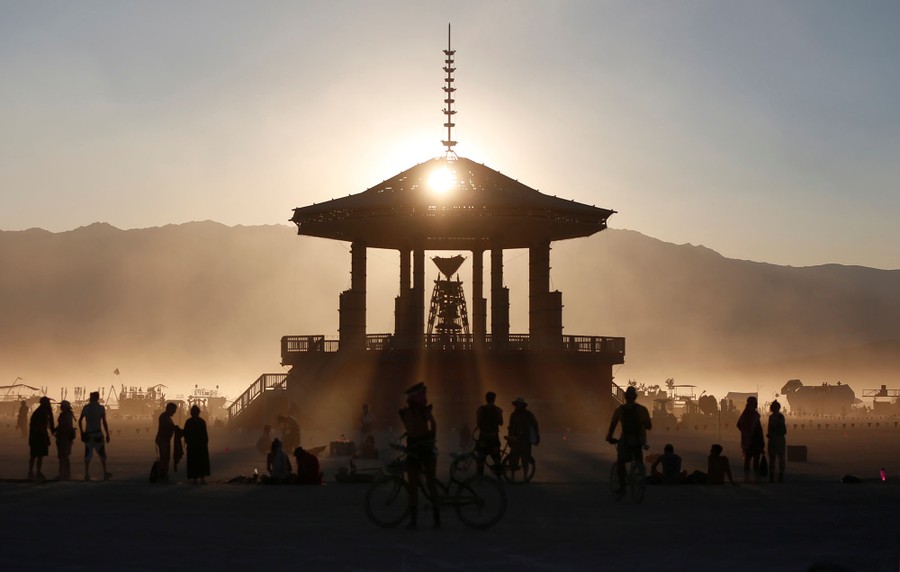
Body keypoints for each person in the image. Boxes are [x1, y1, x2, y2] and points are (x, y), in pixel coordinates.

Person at [398, 382, 440, 529]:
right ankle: (436, 519)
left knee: (413, 486)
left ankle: (414, 520)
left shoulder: (409, 412)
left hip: (415, 450)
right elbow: (433, 424)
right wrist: (430, 436)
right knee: (430, 484)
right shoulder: (423, 410)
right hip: (425, 448)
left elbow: (412, 431)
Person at [606, 385, 652, 495]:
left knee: (621, 462)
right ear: (635, 397)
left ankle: (622, 487)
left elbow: (613, 425)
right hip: (639, 440)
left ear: (626, 397)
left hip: (626, 440)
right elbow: (649, 426)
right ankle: (639, 475)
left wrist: (610, 437)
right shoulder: (643, 409)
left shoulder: (620, 410)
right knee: (638, 458)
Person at [78, 391, 111, 481]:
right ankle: (105, 473)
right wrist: (107, 433)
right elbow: (104, 422)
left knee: (88, 454)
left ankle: (86, 473)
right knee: (102, 454)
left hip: (88, 434)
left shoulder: (86, 408)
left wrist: (82, 432)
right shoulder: (100, 408)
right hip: (97, 434)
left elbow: (80, 420)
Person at [506, 396, 540, 478]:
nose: (517, 406)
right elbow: (511, 428)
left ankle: (525, 476)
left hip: (525, 440)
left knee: (525, 460)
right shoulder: (513, 415)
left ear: (522, 405)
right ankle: (512, 476)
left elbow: (535, 426)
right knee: (513, 459)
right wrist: (510, 438)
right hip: (515, 440)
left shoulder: (528, 415)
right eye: (516, 404)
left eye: (519, 404)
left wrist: (536, 436)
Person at [736, 396, 765, 483]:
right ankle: (756, 478)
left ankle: (747, 478)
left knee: (748, 460)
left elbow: (739, 425)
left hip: (748, 441)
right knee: (755, 460)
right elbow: (758, 429)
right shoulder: (754, 415)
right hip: (755, 440)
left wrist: (745, 433)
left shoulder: (745, 414)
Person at [475, 391, 503, 475]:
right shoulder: (498, 410)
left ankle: (480, 475)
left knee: (481, 456)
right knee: (496, 456)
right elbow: (501, 422)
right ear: (494, 399)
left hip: (483, 436)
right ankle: (498, 474)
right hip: (494, 437)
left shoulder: (480, 409)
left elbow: (478, 422)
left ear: (486, 399)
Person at [28, 396, 56, 482]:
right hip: (39, 435)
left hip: (36, 435)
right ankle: (36, 472)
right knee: (38, 455)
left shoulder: (41, 411)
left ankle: (32, 472)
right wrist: (52, 430)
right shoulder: (43, 412)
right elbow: (48, 423)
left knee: (35, 455)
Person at [182, 405, 210, 484]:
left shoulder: (189, 422)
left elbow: (186, 433)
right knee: (199, 462)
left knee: (195, 462)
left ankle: (197, 478)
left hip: (195, 445)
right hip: (197, 445)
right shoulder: (201, 421)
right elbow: (205, 434)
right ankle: (200, 477)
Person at [154, 402, 179, 483]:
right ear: (169, 409)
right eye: (174, 410)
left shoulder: (166, 417)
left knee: (165, 457)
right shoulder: (164, 417)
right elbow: (168, 426)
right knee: (164, 457)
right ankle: (162, 474)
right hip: (163, 439)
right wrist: (175, 428)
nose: (174, 412)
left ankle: (162, 474)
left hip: (164, 439)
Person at [55, 400, 77, 481]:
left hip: (64, 437)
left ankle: (64, 473)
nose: (60, 407)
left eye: (62, 405)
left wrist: (57, 430)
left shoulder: (66, 415)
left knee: (63, 456)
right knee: (63, 456)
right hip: (63, 437)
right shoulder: (66, 414)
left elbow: (65, 426)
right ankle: (64, 473)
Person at [767, 400, 787, 483]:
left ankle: (774, 477)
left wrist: (772, 434)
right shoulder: (779, 416)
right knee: (779, 458)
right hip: (779, 439)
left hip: (775, 439)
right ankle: (779, 476)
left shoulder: (774, 417)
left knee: (774, 458)